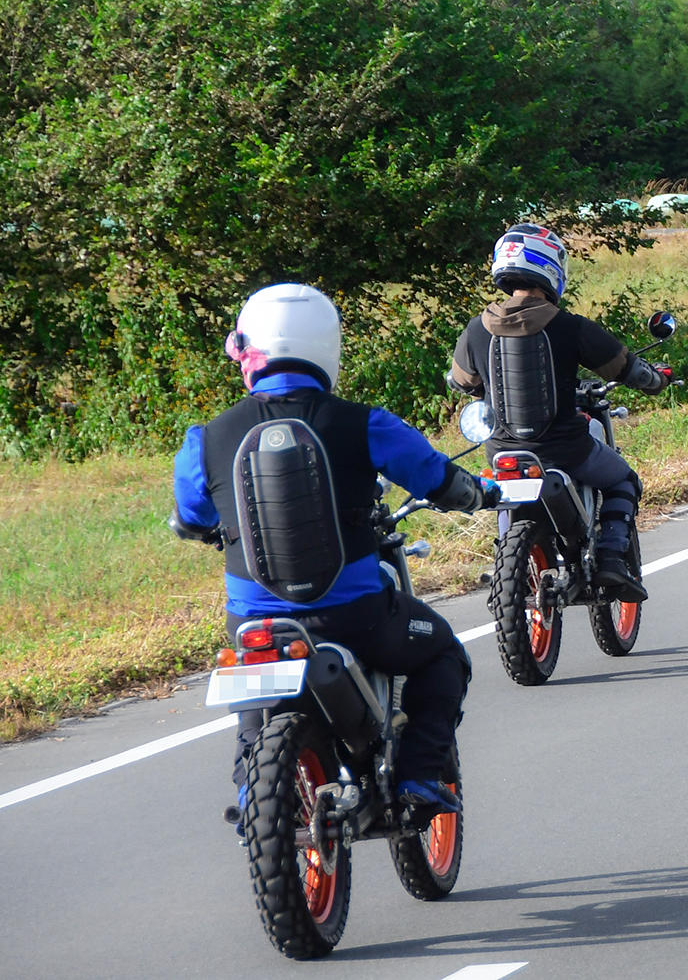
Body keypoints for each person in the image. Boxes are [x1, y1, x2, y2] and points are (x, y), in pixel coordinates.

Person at [171, 283, 493, 819]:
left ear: (249, 350)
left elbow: (191, 518)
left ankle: (253, 794)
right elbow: (437, 478)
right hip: (354, 616)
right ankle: (419, 775)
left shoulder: (205, 438)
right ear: (326, 347)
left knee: (251, 698)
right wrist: (479, 494)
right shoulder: (364, 422)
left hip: (253, 621)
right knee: (442, 653)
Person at [447, 224, 667, 602]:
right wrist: (657, 380)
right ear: (550, 267)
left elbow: (461, 381)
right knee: (623, 480)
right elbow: (628, 369)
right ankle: (612, 557)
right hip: (566, 450)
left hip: (501, 453)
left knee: (501, 491)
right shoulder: (569, 326)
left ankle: (506, 558)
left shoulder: (475, 329)